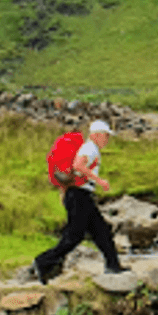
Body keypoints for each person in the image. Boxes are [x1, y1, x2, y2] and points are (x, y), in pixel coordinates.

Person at [33, 120, 129, 284]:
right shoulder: (90, 148)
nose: (107, 140)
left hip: (81, 195)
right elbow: (78, 165)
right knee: (74, 237)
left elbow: (74, 171)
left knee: (101, 230)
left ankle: (113, 265)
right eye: (106, 136)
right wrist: (99, 180)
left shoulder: (89, 147)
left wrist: (65, 192)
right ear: (96, 135)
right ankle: (42, 261)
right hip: (79, 196)